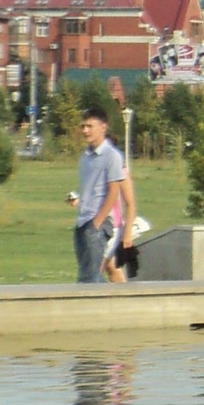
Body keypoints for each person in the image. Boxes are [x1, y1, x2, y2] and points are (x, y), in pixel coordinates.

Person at [67, 105, 131, 285]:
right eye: (83, 126)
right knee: (87, 275)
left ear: (103, 127)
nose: (85, 130)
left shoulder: (112, 156)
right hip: (83, 222)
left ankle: (113, 302)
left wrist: (97, 222)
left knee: (90, 278)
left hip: (98, 224)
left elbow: (113, 192)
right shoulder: (85, 157)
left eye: (90, 126)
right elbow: (90, 191)